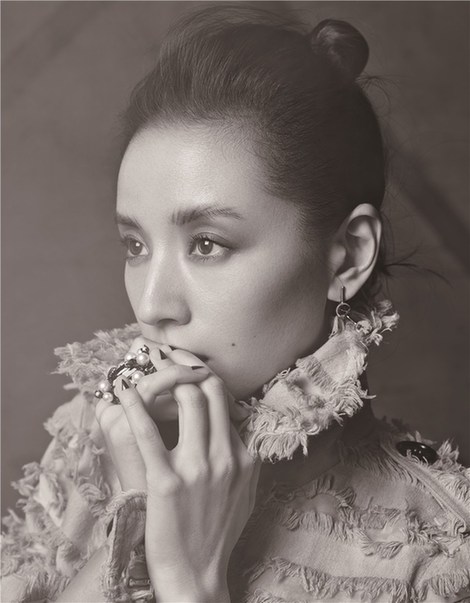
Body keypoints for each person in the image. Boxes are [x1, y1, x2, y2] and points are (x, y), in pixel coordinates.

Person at [2, 5, 469, 603]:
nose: (151, 306)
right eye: (135, 246)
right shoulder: (85, 446)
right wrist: (136, 521)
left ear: (348, 256)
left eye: (207, 244)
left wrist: (189, 581)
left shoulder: (439, 552)